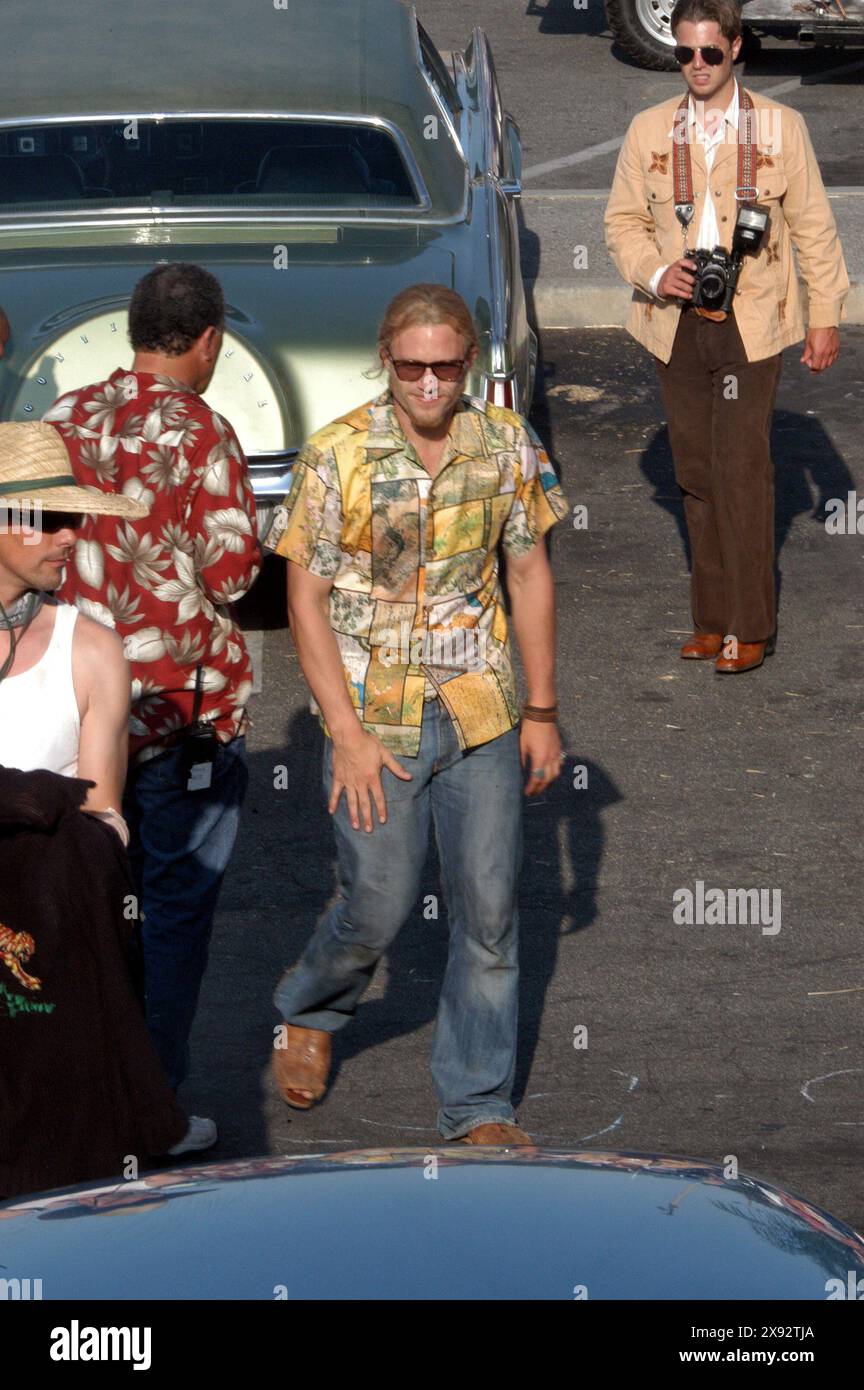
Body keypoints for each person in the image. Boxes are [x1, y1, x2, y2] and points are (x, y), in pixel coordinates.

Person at [265, 284, 569, 1145]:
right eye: (411, 367)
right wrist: (348, 737)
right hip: (374, 718)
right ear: (385, 361)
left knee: (490, 910)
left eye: (444, 366)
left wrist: (542, 709)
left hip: (482, 712)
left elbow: (530, 575)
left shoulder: (507, 443)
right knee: (379, 901)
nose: (428, 384)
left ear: (469, 361)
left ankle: (477, 1104)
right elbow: (305, 602)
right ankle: (311, 1008)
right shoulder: (337, 455)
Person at [50, 262, 260, 1092]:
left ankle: (92, 1097)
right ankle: (155, 1104)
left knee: (93, 910)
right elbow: (233, 573)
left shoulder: (65, 417)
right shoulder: (201, 433)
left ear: (134, 333)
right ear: (209, 342)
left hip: (74, 711)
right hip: (180, 710)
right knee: (174, 910)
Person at [604, 0, 848, 673]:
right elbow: (622, 224)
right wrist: (658, 271)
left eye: (711, 53)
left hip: (753, 322)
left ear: (736, 47)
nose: (698, 66)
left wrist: (824, 316)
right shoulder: (649, 130)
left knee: (742, 471)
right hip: (673, 324)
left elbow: (814, 227)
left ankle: (751, 626)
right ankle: (710, 622)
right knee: (696, 475)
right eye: (685, 54)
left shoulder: (779, 127)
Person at [0, 422, 214, 1191]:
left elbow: (104, 820)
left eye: (75, 519)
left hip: (43, 925)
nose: (70, 539)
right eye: (50, 520)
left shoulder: (90, 647)